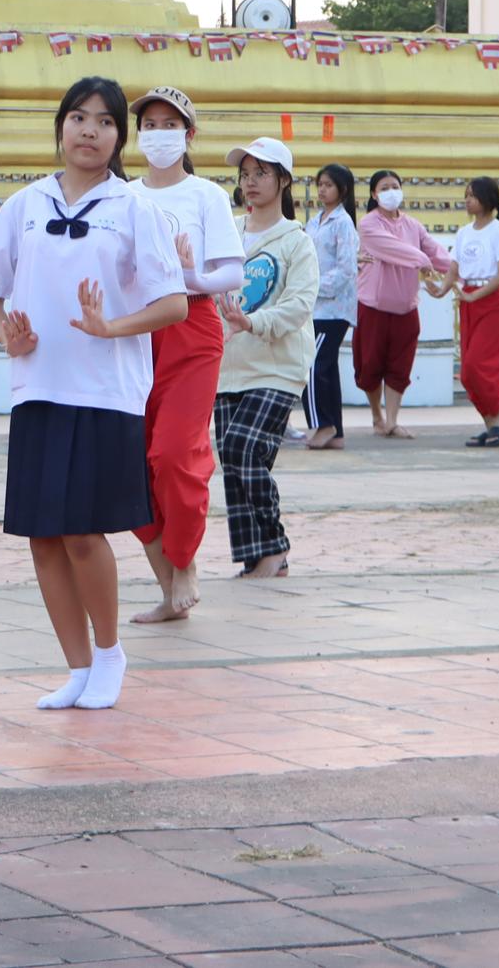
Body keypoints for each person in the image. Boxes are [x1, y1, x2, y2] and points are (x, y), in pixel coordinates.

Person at [0, 77, 188, 708]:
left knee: (85, 534)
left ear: (120, 137)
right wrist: (5, 336)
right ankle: (75, 668)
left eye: (104, 122)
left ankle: (110, 652)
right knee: (43, 534)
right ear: (61, 127)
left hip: (104, 391)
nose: (89, 131)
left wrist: (109, 327)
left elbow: (173, 304)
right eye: (77, 118)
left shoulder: (135, 209)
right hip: (37, 386)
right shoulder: (24, 205)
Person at [128, 86, 244, 626]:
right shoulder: (121, 195)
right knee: (130, 464)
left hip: (193, 325)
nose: (157, 133)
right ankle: (168, 582)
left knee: (173, 453)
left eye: (168, 124)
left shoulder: (206, 196)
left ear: (188, 134)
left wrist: (190, 272)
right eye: (148, 124)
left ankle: (185, 561)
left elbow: (232, 273)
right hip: (134, 330)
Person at [213, 138, 317, 578]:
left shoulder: (296, 242)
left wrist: (253, 323)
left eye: (261, 174)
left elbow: (299, 304)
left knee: (244, 447)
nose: (250, 183)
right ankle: (257, 557)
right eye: (245, 174)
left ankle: (273, 546)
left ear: (284, 181)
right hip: (227, 366)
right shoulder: (227, 233)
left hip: (277, 366)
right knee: (233, 461)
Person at [355, 169, 452, 439]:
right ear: (374, 194)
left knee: (400, 366)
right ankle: (377, 415)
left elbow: (436, 252)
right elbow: (395, 250)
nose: (390, 192)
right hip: (373, 305)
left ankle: (392, 421)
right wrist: (423, 261)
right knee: (370, 365)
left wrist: (458, 271)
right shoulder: (369, 224)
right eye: (384, 188)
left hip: (406, 307)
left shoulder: (414, 226)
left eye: (394, 186)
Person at [433, 177, 499, 447]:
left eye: (473, 195)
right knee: (469, 371)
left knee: (480, 366)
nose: (467, 200)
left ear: (488, 198)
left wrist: (475, 295)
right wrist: (439, 289)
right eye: (466, 194)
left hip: (491, 302)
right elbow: (454, 271)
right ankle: (493, 423)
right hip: (469, 301)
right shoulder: (463, 232)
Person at [303, 162, 360, 451]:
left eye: (328, 185)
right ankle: (334, 430)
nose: (322, 190)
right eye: (320, 184)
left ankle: (322, 423)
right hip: (316, 308)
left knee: (312, 364)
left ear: (342, 189)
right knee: (325, 367)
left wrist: (314, 287)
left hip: (333, 308)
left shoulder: (343, 223)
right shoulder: (314, 221)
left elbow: (346, 269)